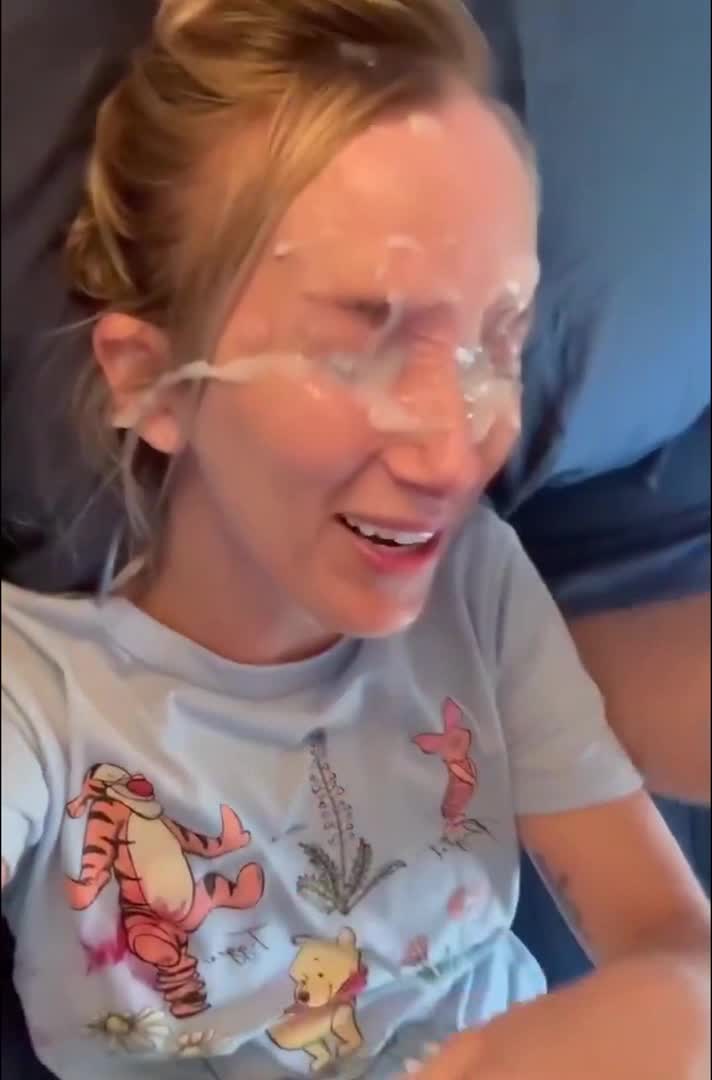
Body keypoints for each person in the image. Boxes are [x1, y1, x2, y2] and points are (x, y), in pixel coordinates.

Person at [1, 3, 709, 1079]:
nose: (456, 452)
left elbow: (668, 940)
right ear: (150, 381)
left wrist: (673, 1011)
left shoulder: (478, 590)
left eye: (496, 345)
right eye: (364, 350)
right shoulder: (41, 701)